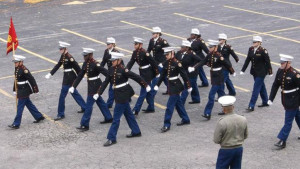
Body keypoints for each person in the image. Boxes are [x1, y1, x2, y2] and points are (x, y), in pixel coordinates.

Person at [93, 52, 150, 146]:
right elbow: (106, 82)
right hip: (118, 94)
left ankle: (111, 138)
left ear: (119, 61)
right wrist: (98, 93)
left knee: (116, 118)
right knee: (128, 114)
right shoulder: (111, 69)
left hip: (123, 95)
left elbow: (136, 77)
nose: (112, 62)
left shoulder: (123, 70)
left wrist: (145, 85)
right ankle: (136, 131)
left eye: (114, 61)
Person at [189, 40, 235, 120]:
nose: (209, 49)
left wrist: (232, 72)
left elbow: (227, 64)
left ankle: (207, 113)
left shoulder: (219, 56)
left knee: (211, 95)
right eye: (209, 47)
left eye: (211, 47)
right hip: (214, 76)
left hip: (218, 76)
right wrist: (194, 67)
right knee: (221, 94)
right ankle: (227, 110)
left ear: (215, 47)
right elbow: (203, 61)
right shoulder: (210, 54)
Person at [69, 48, 113, 131]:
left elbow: (107, 73)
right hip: (91, 85)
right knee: (100, 102)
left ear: (90, 55)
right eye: (84, 55)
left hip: (96, 85)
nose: (84, 57)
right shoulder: (86, 63)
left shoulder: (95, 64)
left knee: (89, 105)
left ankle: (85, 124)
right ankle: (108, 117)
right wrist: (73, 86)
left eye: (85, 55)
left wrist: (113, 80)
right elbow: (80, 75)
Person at [45, 41, 86, 121]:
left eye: (61, 49)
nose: (60, 50)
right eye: (60, 49)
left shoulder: (69, 57)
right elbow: (58, 65)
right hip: (67, 77)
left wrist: (81, 76)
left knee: (62, 96)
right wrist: (50, 74)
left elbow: (77, 67)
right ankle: (84, 107)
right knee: (74, 93)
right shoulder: (63, 56)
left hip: (70, 77)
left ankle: (60, 114)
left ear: (65, 49)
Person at [154, 47, 191, 133]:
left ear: (172, 53)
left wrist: (188, 86)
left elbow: (184, 75)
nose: (166, 56)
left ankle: (166, 124)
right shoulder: (166, 63)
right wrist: (157, 85)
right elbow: (162, 75)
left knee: (169, 106)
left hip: (176, 86)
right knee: (178, 104)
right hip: (171, 85)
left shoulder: (177, 63)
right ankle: (185, 119)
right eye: (165, 55)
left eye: (167, 54)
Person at [268, 54, 300, 149]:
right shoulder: (280, 71)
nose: (281, 64)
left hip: (293, 100)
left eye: (283, 63)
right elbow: (275, 85)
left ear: (288, 63)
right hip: (285, 99)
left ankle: (282, 140)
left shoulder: (295, 74)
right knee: (297, 116)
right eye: (281, 63)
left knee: (288, 122)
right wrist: (270, 99)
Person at [8, 55, 45, 129]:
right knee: (29, 104)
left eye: (16, 62)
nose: (15, 64)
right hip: (20, 89)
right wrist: (14, 89)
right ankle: (39, 116)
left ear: (21, 62)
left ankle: (16, 123)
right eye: (15, 62)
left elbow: (31, 79)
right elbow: (16, 80)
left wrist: (35, 89)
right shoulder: (17, 68)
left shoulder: (24, 70)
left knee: (20, 107)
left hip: (24, 90)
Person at [126, 37, 159, 115]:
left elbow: (153, 62)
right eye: (134, 44)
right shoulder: (135, 52)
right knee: (149, 91)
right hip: (142, 72)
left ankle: (136, 109)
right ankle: (151, 107)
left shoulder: (145, 53)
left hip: (147, 73)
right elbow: (131, 61)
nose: (134, 45)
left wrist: (157, 73)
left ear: (140, 45)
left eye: (136, 44)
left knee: (143, 92)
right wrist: (127, 69)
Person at [214, 95, 248, 169]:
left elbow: (216, 140)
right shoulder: (243, 119)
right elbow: (245, 135)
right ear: (233, 107)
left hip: (226, 149)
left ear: (223, 109)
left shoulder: (222, 122)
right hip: (239, 148)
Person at [240, 36, 273, 112]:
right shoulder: (251, 49)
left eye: (255, 42)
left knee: (256, 88)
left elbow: (268, 62)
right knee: (261, 86)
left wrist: (270, 72)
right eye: (253, 42)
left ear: (259, 43)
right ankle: (265, 101)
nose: (253, 43)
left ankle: (251, 105)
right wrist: (243, 70)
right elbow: (248, 59)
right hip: (254, 72)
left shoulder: (263, 51)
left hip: (261, 72)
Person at [175, 40, 201, 105]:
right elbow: (175, 60)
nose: (181, 48)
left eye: (183, 47)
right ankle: (196, 99)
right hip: (184, 73)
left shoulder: (192, 54)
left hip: (192, 73)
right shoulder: (179, 53)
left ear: (187, 48)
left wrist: (193, 67)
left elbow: (200, 61)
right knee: (193, 85)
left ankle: (180, 103)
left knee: (186, 87)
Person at [100, 37, 123, 108]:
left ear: (112, 44)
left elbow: (121, 63)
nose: (107, 45)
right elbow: (103, 61)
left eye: (108, 44)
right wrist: (99, 68)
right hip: (110, 72)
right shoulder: (106, 51)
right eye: (107, 44)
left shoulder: (116, 53)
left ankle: (109, 103)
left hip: (116, 72)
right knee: (115, 87)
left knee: (111, 88)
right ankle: (128, 98)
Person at [147, 26, 170, 95]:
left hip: (161, 63)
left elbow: (169, 51)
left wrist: (164, 62)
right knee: (164, 78)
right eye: (152, 33)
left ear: (158, 34)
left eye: (154, 33)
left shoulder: (163, 42)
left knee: (155, 78)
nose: (152, 34)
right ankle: (170, 90)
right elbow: (148, 50)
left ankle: (152, 93)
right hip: (155, 63)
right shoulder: (151, 41)